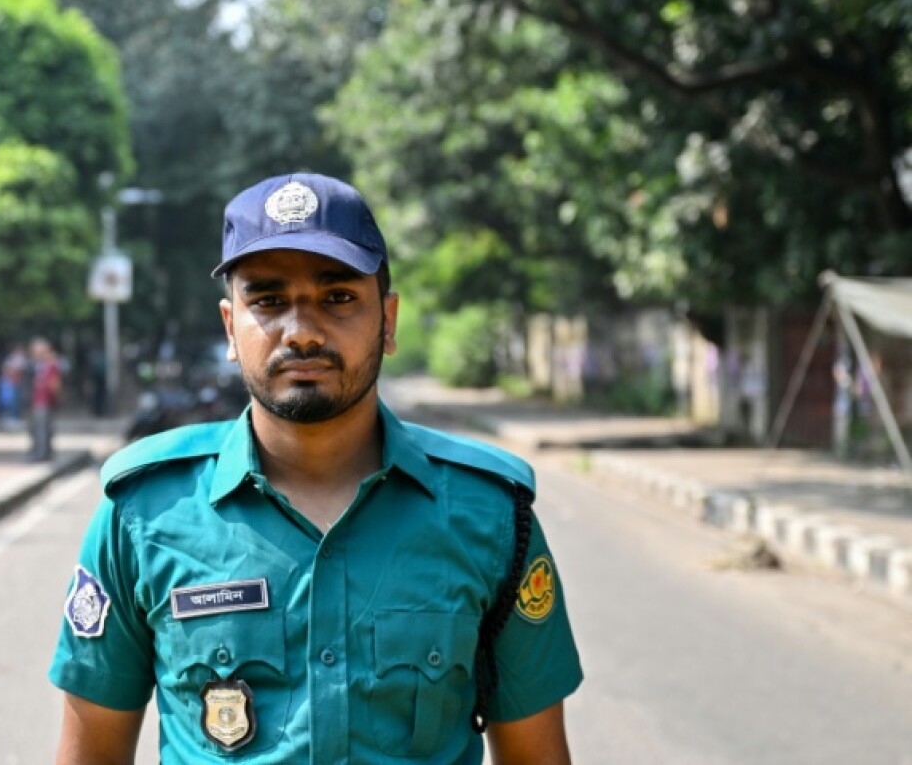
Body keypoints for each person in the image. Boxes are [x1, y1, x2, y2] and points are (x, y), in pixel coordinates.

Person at [49, 174, 581, 764]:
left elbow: (536, 757)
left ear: (388, 320)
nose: (301, 332)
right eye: (269, 300)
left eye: (339, 297)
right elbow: (91, 752)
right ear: (231, 326)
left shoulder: (491, 514)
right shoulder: (142, 513)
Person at [28, 337, 62, 462]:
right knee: (40, 428)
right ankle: (43, 452)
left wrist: (57, 398)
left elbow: (54, 384)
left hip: (45, 401)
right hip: (39, 400)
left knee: (42, 429)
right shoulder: (41, 365)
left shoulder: (51, 364)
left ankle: (42, 454)